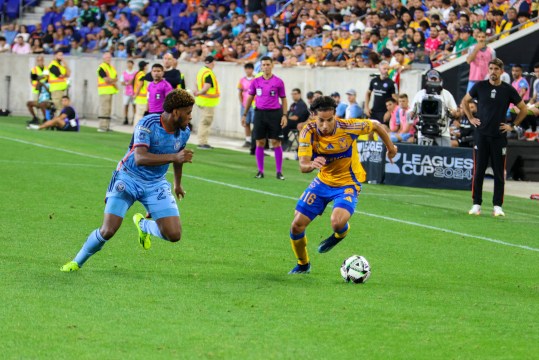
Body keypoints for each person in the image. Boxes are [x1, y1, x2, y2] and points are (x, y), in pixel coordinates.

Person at [60, 89, 195, 272]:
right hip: (128, 178)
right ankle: (76, 262)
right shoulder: (147, 124)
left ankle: (144, 225)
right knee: (108, 230)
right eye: (188, 112)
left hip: (155, 183)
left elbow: (179, 156)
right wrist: (174, 157)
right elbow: (140, 157)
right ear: (176, 112)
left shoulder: (184, 131)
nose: (190, 117)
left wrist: (177, 184)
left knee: (174, 234)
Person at [287, 96, 397, 274]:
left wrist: (390, 148)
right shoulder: (307, 131)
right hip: (323, 181)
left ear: (335, 116)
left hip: (348, 182)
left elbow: (376, 125)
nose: (325, 125)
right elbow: (303, 165)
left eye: (330, 120)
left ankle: (341, 233)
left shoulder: (348, 127)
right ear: (313, 116)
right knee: (296, 225)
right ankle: (303, 265)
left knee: (337, 222)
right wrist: (311, 165)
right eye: (321, 120)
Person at [461, 58, 528, 217]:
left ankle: (497, 206)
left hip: (499, 137)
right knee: (479, 172)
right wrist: (471, 118)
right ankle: (476, 204)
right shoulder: (480, 86)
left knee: (499, 173)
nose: (493, 71)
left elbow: (523, 109)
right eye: (490, 68)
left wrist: (512, 125)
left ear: (501, 71)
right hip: (482, 135)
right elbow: (465, 101)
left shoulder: (508, 89)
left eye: (496, 69)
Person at [242, 56, 288, 180]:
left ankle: (279, 172)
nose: (266, 67)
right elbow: (250, 98)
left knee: (276, 142)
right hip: (260, 114)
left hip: (275, 114)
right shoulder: (256, 81)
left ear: (272, 65)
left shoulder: (278, 81)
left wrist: (284, 115)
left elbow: (283, 99)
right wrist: (245, 114)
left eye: (268, 64)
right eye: (264, 65)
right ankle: (260, 171)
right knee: (259, 142)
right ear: (261, 67)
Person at [409, 69, 460, 146]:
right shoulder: (420, 94)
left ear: (440, 80)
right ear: (427, 80)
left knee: (444, 155)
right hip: (424, 131)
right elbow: (411, 114)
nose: (433, 81)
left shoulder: (446, 94)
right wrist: (413, 113)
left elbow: (455, 111)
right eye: (431, 79)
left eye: (435, 79)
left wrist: (451, 112)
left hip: (442, 131)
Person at [193, 56, 220, 149]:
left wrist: (197, 92)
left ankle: (202, 141)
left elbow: (196, 83)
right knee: (206, 122)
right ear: (213, 62)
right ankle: (202, 142)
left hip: (202, 100)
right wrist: (199, 92)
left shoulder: (201, 71)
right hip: (208, 102)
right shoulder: (208, 73)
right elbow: (207, 86)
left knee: (204, 121)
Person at [97, 52, 119, 132]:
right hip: (104, 91)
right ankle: (102, 126)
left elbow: (116, 78)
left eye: (109, 57)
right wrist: (112, 80)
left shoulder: (111, 67)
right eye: (107, 57)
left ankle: (107, 126)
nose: (108, 59)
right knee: (104, 109)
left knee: (109, 109)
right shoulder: (102, 67)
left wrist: (111, 80)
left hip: (110, 90)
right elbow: (106, 79)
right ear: (103, 58)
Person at [237, 62, 256, 148]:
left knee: (255, 122)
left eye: (250, 69)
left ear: (252, 70)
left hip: (254, 104)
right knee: (246, 123)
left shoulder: (256, 79)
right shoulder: (242, 80)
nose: (248, 70)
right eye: (247, 69)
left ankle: (254, 139)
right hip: (245, 105)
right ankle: (248, 140)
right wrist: (241, 103)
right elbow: (240, 92)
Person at [47, 50, 70, 116]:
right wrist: (65, 74)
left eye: (62, 55)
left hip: (62, 89)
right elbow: (60, 75)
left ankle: (60, 123)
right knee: (59, 108)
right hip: (56, 90)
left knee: (62, 108)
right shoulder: (53, 65)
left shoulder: (60, 65)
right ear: (55, 56)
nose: (61, 57)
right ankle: (58, 123)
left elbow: (68, 74)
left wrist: (65, 64)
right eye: (59, 55)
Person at [28, 55, 48, 124]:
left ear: (43, 60)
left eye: (41, 60)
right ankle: (36, 119)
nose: (40, 62)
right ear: (37, 61)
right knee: (36, 105)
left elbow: (48, 79)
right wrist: (42, 77)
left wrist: (40, 77)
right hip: (36, 90)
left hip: (45, 91)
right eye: (38, 60)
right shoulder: (34, 69)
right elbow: (33, 78)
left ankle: (45, 119)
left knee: (43, 105)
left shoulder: (47, 69)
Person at [133, 60, 149, 127]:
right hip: (141, 98)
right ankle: (137, 129)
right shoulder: (142, 74)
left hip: (140, 98)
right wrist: (135, 95)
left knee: (139, 114)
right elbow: (140, 85)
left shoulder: (138, 73)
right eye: (146, 65)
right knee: (140, 115)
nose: (148, 66)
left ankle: (137, 129)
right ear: (144, 66)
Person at [121, 59, 137, 125]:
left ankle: (134, 118)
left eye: (130, 63)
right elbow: (122, 82)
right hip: (126, 92)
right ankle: (126, 118)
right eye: (128, 63)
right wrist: (127, 83)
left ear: (133, 64)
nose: (129, 65)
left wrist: (132, 82)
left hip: (133, 91)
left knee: (134, 105)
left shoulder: (135, 73)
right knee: (126, 105)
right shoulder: (124, 73)